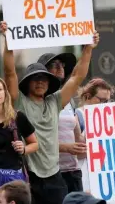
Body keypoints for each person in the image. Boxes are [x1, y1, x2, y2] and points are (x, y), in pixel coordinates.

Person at [1, 21, 100, 204]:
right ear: (27, 82)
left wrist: (88, 48)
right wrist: (8, 42)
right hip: (28, 175)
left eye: (44, 79)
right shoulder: (19, 101)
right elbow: (10, 73)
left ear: (50, 83)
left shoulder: (55, 101)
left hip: (55, 175)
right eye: (35, 79)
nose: (40, 82)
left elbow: (77, 76)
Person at [74, 77, 115, 192]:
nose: (105, 104)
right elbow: (76, 154)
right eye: (101, 100)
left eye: (107, 101)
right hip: (88, 178)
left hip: (112, 180)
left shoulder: (111, 118)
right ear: (87, 96)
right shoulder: (78, 117)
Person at [37, 52, 86, 193]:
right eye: (54, 64)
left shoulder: (69, 101)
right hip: (49, 175)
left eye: (62, 65)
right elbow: (33, 143)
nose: (60, 68)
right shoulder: (36, 101)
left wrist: (112, 142)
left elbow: (79, 141)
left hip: (72, 173)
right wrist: (65, 147)